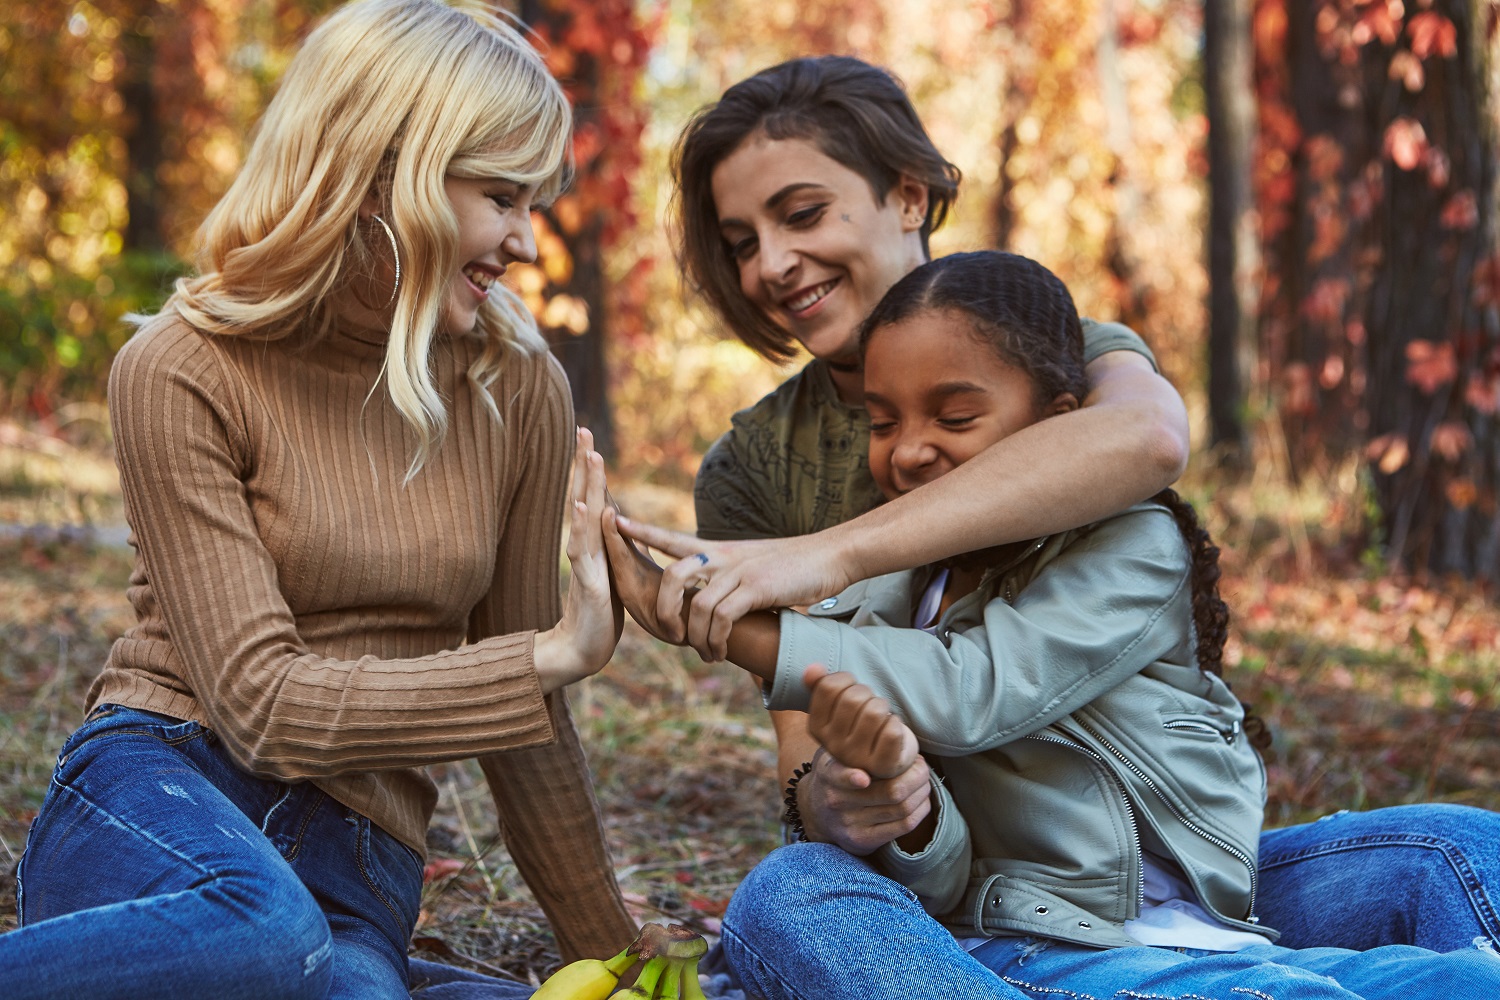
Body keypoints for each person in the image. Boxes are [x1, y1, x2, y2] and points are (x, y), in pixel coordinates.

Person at [615, 54, 1500, 957]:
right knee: (797, 892)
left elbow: (1147, 440)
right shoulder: (754, 468)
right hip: (965, 887)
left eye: (802, 214)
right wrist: (862, 797)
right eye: (740, 241)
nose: (771, 263)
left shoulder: (1042, 334)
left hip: (1133, 859)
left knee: (1459, 850)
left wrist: (827, 555)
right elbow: (808, 757)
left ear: (909, 196)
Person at [0, 2, 632, 997]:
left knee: (320, 970)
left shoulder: (517, 388)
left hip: (357, 859)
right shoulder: (181, 366)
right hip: (166, 786)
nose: (522, 238)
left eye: (534, 203)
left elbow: (530, 723)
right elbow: (258, 705)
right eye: (503, 196)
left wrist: (627, 964)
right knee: (260, 936)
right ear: (387, 170)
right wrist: (550, 651)